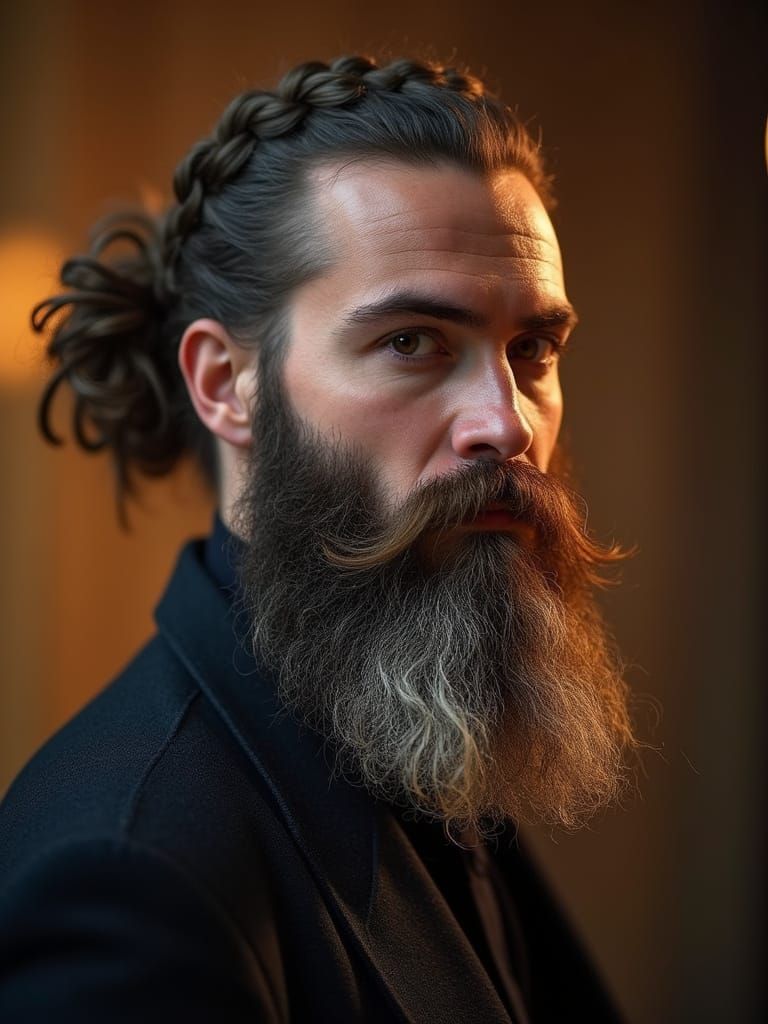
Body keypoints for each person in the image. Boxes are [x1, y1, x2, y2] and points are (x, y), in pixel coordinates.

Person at [0, 55, 638, 1022]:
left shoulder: (421, 726)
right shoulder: (128, 879)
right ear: (225, 383)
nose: (505, 426)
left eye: (532, 350)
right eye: (413, 341)